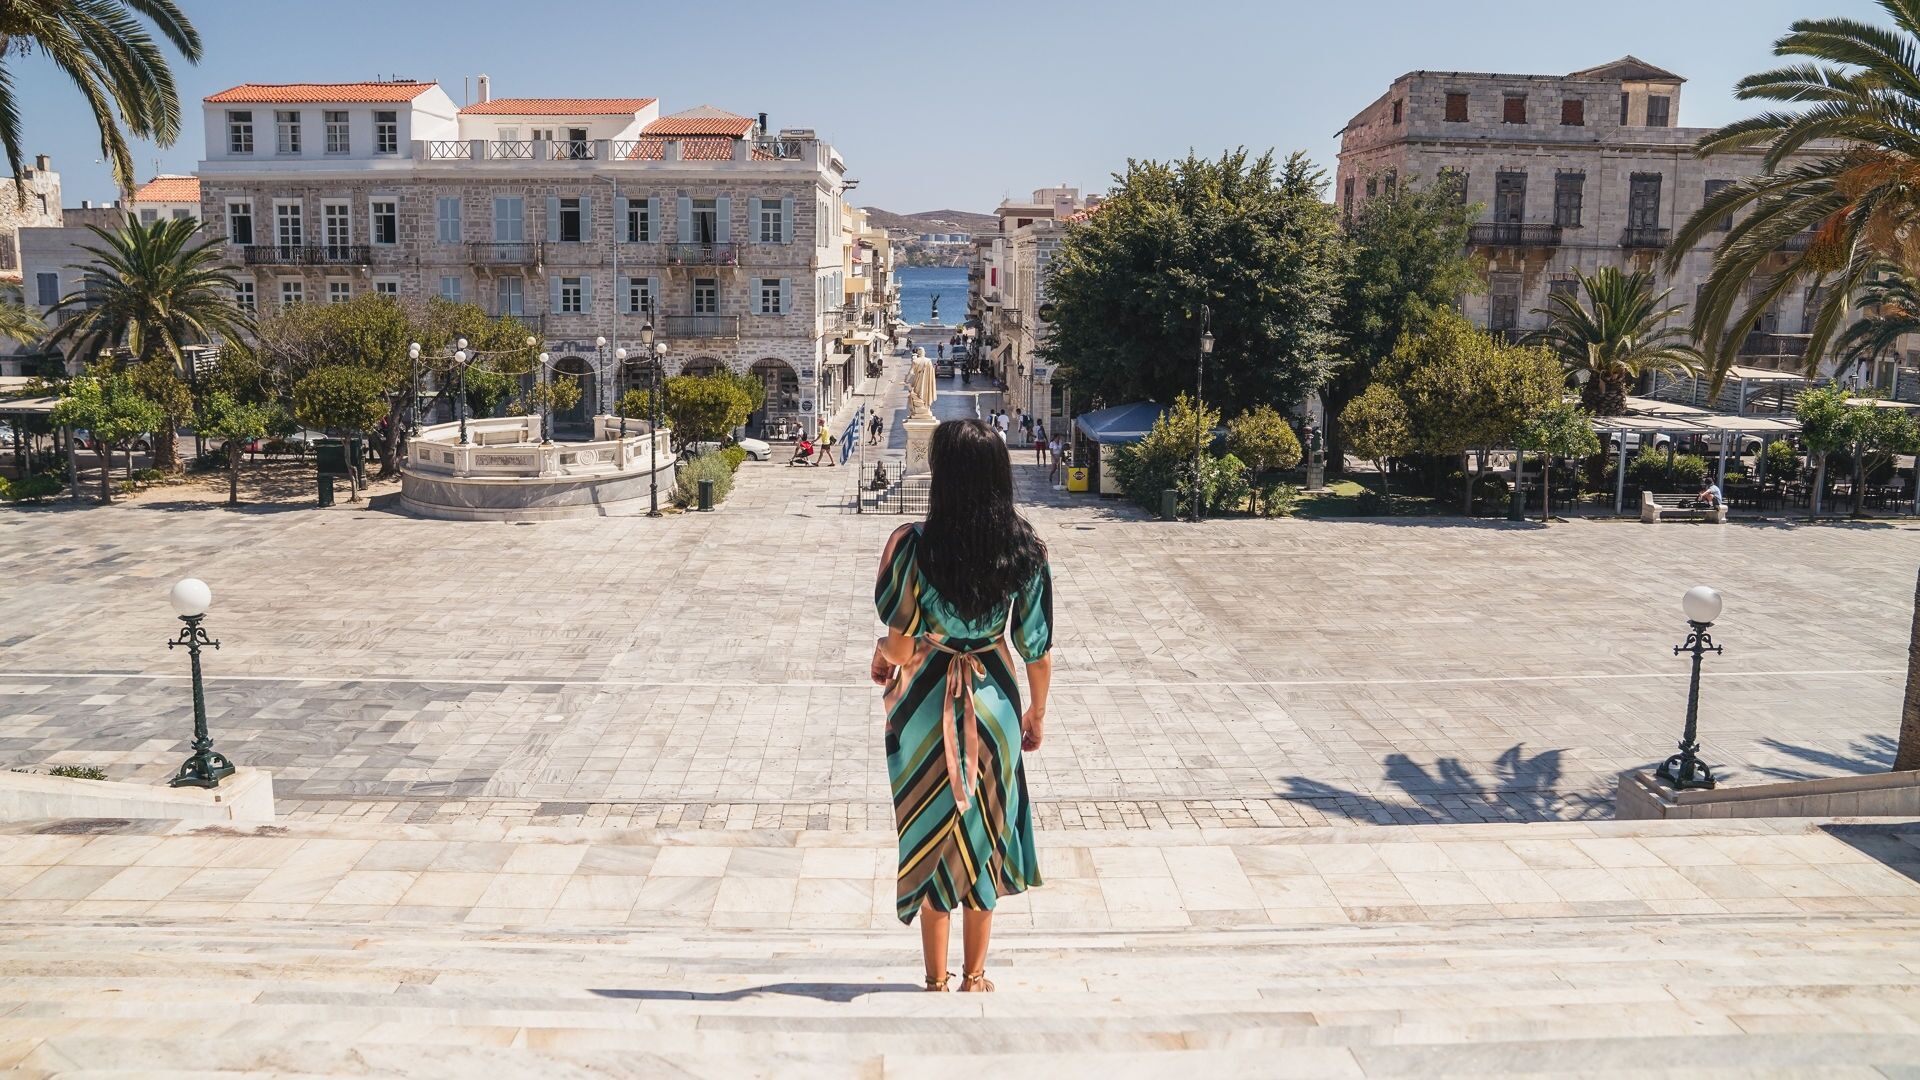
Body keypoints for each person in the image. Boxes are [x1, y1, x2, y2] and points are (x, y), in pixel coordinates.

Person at [871, 418, 1052, 994]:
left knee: (929, 827)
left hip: (927, 708)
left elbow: (900, 643)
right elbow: (1037, 651)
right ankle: (976, 975)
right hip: (995, 706)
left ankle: (934, 978)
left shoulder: (912, 546)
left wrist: (882, 655)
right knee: (983, 832)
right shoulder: (1026, 550)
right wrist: (1036, 714)